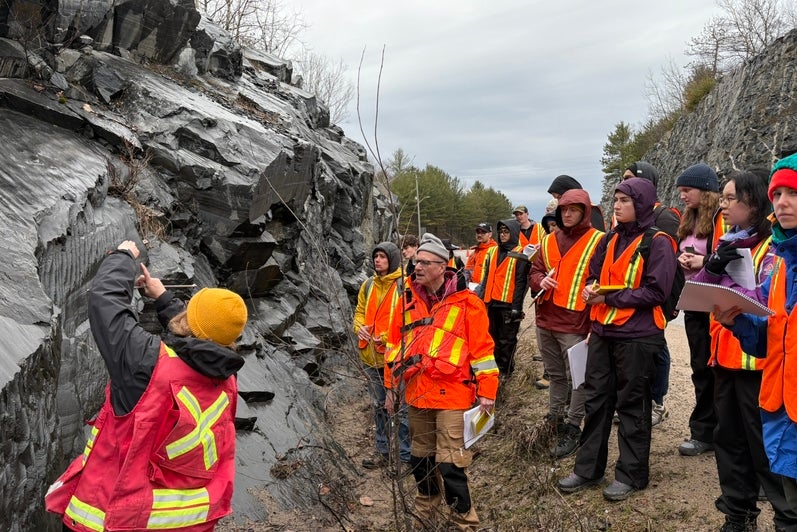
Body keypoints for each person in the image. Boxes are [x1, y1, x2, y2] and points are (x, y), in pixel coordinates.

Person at [46, 240, 247, 531]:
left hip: (112, 516)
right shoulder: (228, 378)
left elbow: (106, 303)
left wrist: (123, 256)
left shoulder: (147, 364)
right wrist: (164, 299)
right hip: (182, 522)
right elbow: (200, 343)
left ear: (190, 322)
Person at [557, 177, 676, 502]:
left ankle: (631, 474)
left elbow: (657, 290)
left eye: (625, 200)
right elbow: (594, 274)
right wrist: (590, 288)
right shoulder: (608, 240)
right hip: (603, 334)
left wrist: (609, 298)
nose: (618, 205)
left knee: (633, 406)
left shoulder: (659, 242)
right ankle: (587, 469)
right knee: (596, 402)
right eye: (616, 199)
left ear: (641, 203)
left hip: (639, 337)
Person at [692, 170, 797, 531]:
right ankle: (738, 515)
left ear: (752, 203)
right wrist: (713, 267)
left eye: (730, 198)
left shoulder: (773, 250)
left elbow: (763, 307)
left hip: (759, 366)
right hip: (725, 355)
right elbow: (702, 294)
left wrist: (726, 284)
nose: (722, 205)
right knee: (730, 442)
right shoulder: (728, 243)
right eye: (720, 198)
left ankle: (783, 514)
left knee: (766, 450)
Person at [383, 233, 499, 530]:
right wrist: (389, 389)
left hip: (453, 395)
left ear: (441, 265)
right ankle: (426, 511)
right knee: (420, 459)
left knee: (450, 463)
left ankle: (464, 521)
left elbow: (482, 351)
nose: (417, 266)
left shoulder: (467, 302)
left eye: (424, 262)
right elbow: (393, 345)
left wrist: (487, 392)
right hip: (416, 392)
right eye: (415, 260)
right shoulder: (406, 298)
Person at [528, 189, 603, 458]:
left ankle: (573, 426)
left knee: (577, 380)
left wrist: (594, 325)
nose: (568, 214)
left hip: (576, 322)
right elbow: (534, 271)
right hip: (545, 318)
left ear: (585, 211)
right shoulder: (548, 240)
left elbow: (602, 281)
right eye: (563, 209)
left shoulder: (598, 241)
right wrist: (539, 281)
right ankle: (555, 420)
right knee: (556, 375)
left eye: (574, 209)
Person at [621, 161, 681, 426]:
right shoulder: (627, 217)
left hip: (656, 296)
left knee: (658, 347)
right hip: (632, 296)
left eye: (630, 179)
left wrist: (673, 301)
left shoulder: (664, 216)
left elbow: (671, 264)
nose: (625, 183)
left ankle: (657, 401)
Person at [675, 163, 725, 456]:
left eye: (687, 190)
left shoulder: (721, 219)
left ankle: (721, 432)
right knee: (700, 367)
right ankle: (704, 432)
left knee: (720, 370)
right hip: (694, 303)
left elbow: (730, 257)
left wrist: (702, 263)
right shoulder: (689, 219)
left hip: (717, 303)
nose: (682, 196)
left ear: (705, 192)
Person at [353, 242, 411, 469]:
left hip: (396, 360)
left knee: (402, 410)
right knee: (379, 407)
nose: (378, 260)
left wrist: (388, 336)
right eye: (376, 257)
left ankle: (405, 457)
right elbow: (358, 312)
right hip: (371, 358)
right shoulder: (368, 285)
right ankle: (383, 451)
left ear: (393, 259)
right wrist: (359, 327)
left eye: (383, 257)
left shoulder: (404, 285)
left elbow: (409, 320)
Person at [478, 218, 531, 376]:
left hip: (508, 305)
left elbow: (521, 282)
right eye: (500, 232)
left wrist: (517, 307)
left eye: (506, 231)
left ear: (514, 233)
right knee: (491, 338)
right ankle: (493, 370)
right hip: (492, 303)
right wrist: (481, 300)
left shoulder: (520, 253)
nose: (502, 235)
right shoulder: (493, 251)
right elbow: (486, 278)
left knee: (506, 340)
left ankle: (505, 371)